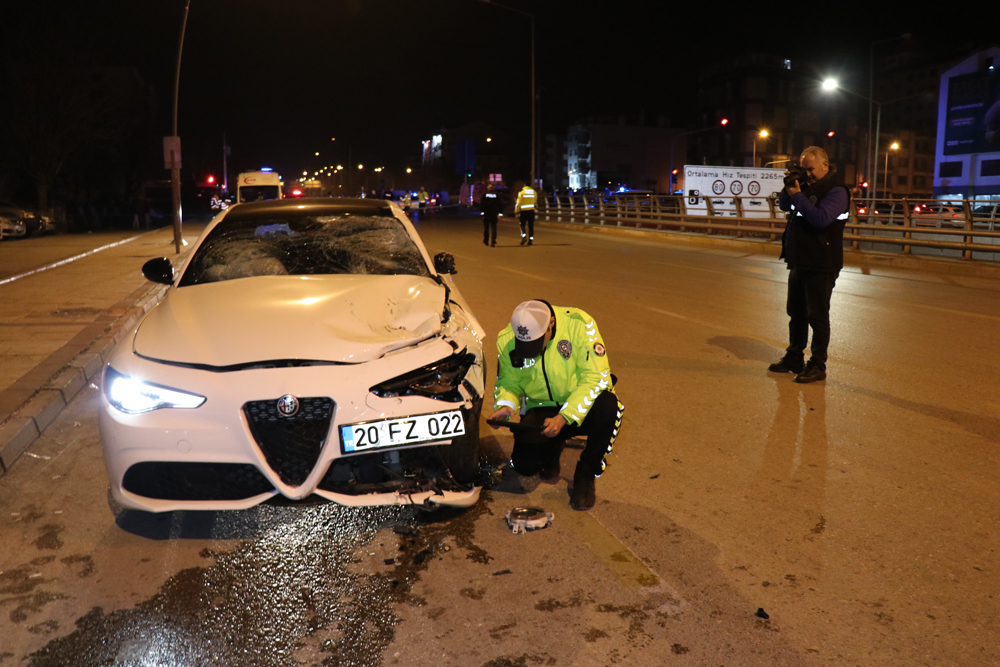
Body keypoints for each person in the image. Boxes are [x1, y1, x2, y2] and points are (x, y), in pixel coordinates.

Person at [490, 300, 624, 511]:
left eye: (536, 342)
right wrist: (506, 407)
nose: (532, 350)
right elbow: (508, 382)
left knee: (609, 406)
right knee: (523, 466)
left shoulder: (579, 325)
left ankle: (586, 473)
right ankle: (553, 447)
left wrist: (564, 417)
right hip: (543, 409)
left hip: (580, 405)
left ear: (551, 323)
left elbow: (595, 378)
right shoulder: (507, 339)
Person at [768, 146, 851, 384]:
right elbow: (785, 205)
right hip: (800, 259)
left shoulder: (837, 191)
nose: (807, 174)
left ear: (825, 165)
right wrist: (790, 185)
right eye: (803, 169)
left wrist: (798, 196)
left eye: (810, 169)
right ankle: (794, 357)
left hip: (821, 262)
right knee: (796, 312)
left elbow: (820, 219)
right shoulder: (805, 187)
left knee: (817, 316)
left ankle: (818, 365)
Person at [480, 182, 503, 247]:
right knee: (494, 227)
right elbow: (500, 204)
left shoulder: (484, 194)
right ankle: (493, 240)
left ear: (488, 188)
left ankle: (486, 240)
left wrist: (482, 212)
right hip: (494, 213)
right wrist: (500, 213)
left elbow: (482, 204)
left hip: (486, 213)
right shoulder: (496, 194)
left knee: (486, 228)